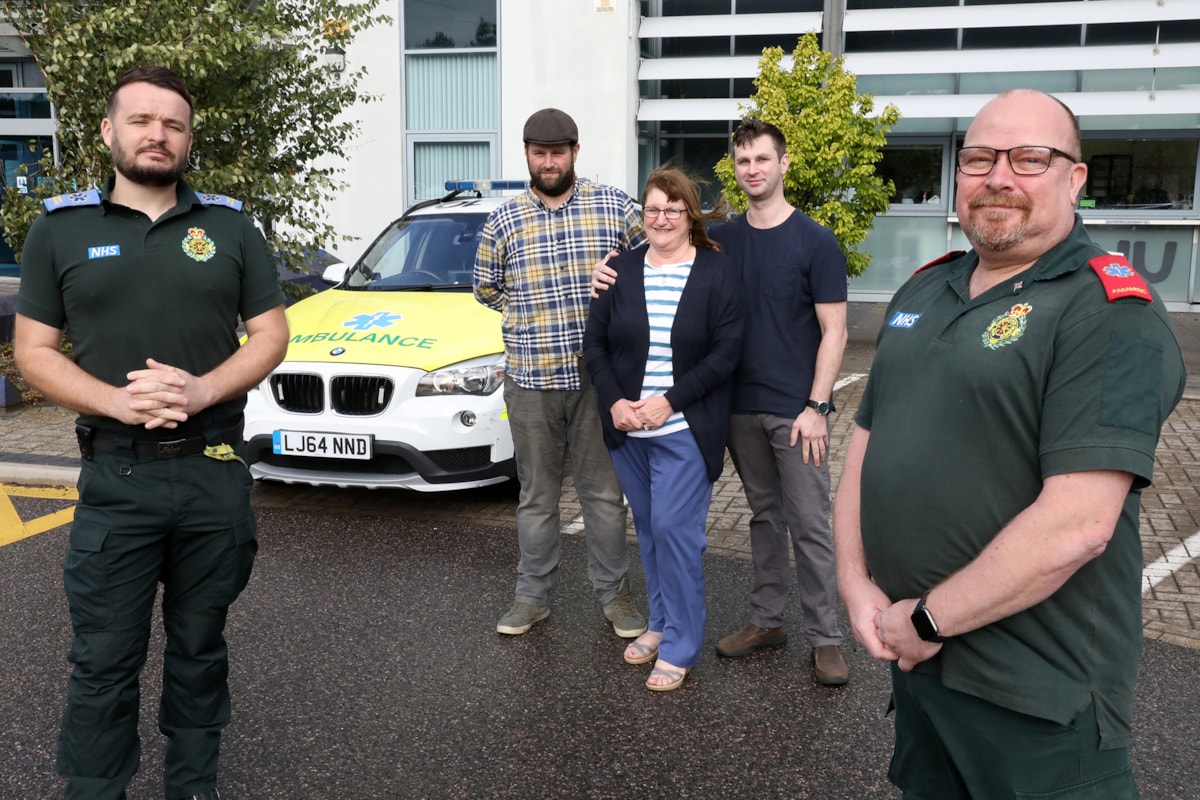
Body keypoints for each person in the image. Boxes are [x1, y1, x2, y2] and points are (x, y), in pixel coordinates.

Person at [833, 89, 1185, 798]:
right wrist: (854, 581)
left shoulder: (1105, 312)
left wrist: (929, 617)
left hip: (1035, 698)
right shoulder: (924, 291)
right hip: (922, 672)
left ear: (1075, 177)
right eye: (981, 158)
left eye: (1029, 159)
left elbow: (1079, 525)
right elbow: (865, 448)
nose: (999, 177)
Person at [14, 66, 289, 800]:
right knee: (104, 655)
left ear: (188, 139)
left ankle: (192, 784)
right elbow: (33, 350)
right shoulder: (59, 230)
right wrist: (114, 400)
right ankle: (95, 789)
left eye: (172, 123)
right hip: (117, 476)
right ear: (109, 132)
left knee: (200, 647)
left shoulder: (228, 227)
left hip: (212, 471)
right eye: (140, 120)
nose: (156, 134)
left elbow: (270, 335)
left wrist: (203, 388)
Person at [592, 117, 851, 686]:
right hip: (731, 405)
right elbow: (660, 250)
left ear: (784, 163)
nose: (752, 169)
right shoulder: (722, 241)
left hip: (795, 409)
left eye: (762, 159)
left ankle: (826, 637)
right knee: (763, 516)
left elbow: (835, 332)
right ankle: (766, 620)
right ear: (734, 171)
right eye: (743, 161)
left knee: (808, 522)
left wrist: (819, 406)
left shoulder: (816, 241)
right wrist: (604, 273)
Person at [474, 108, 648, 638]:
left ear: (575, 151)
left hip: (601, 382)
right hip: (529, 380)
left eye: (558, 152)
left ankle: (616, 597)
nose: (549, 162)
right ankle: (532, 598)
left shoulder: (615, 207)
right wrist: (532, 315)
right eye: (538, 153)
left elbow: (657, 259)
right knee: (536, 496)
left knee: (602, 496)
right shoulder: (503, 220)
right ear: (527, 155)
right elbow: (486, 288)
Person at [583, 167, 743, 691]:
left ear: (689, 216)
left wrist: (667, 402)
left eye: (673, 210)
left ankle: (680, 645)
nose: (662, 218)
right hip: (629, 431)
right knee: (650, 531)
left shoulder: (716, 272)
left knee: (676, 533)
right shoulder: (620, 270)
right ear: (642, 215)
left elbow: (726, 354)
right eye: (652, 209)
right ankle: (659, 622)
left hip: (683, 429)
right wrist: (615, 403)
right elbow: (597, 346)